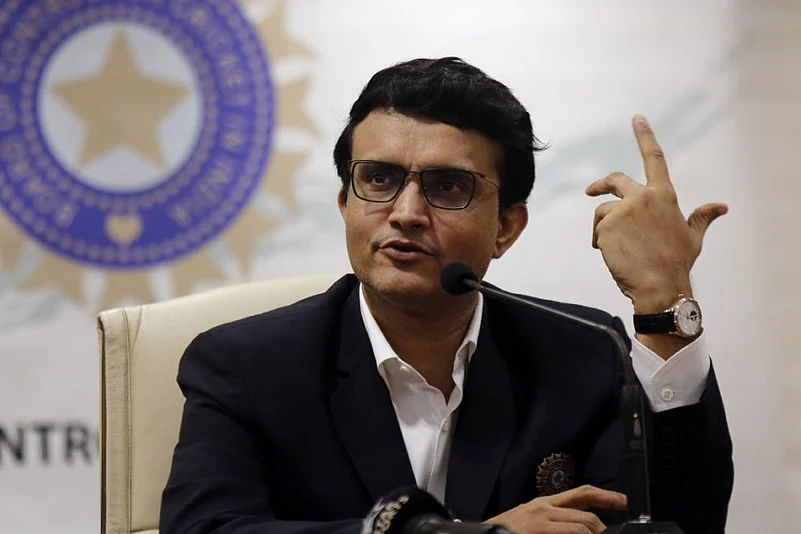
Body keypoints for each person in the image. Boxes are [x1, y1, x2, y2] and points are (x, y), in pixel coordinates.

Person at [160, 57, 733, 534]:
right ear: (344, 204)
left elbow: (676, 524)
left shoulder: (584, 353)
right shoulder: (246, 366)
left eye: (448, 186)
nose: (406, 213)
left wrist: (663, 299)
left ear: (506, 227)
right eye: (378, 179)